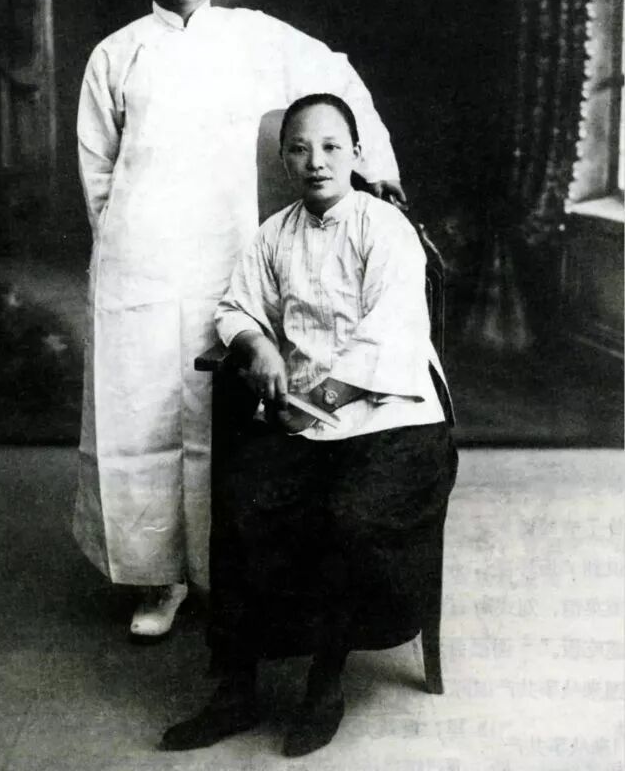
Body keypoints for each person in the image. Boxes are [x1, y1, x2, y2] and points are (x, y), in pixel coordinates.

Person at [73, 0, 405, 639]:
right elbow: (97, 173)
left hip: (225, 258)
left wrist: (375, 170)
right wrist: (119, 247)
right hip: (138, 264)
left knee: (220, 414)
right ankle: (155, 580)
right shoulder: (116, 54)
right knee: (137, 413)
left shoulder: (254, 39)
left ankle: (221, 569)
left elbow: (336, 78)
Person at [160, 94, 457, 757]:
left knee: (349, 517)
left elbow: (389, 339)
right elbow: (235, 307)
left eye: (330, 147)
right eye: (299, 148)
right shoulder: (275, 234)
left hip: (393, 416)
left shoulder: (384, 228)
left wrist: (316, 399)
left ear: (356, 154)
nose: (315, 161)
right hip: (307, 417)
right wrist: (258, 346)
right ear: (284, 159)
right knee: (242, 505)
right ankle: (237, 687)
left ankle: (326, 681)